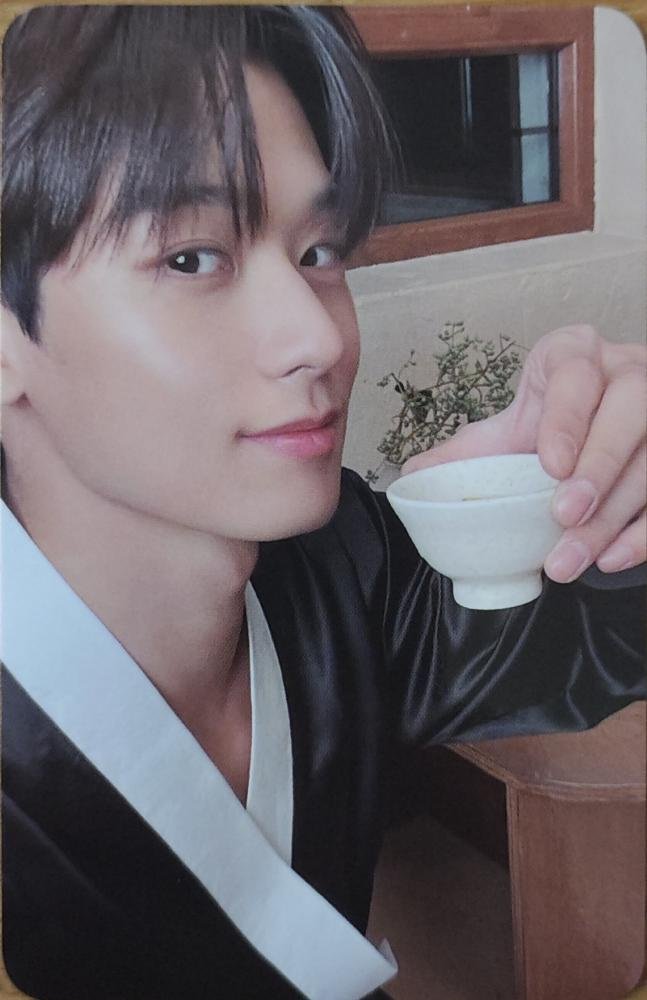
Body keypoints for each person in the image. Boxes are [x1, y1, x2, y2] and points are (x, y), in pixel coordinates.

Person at [1, 6, 645, 999]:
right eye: (191, 258)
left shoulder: (343, 559)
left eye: (320, 251)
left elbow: (597, 638)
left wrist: (584, 491)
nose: (319, 336)